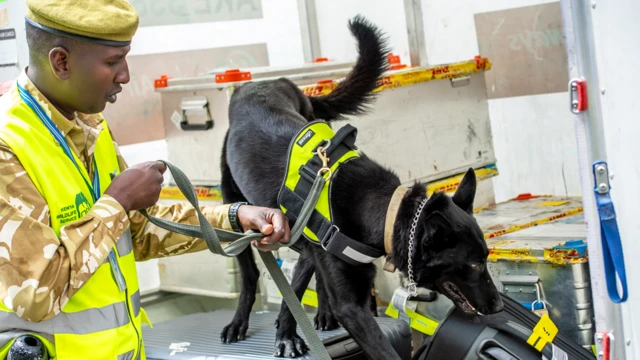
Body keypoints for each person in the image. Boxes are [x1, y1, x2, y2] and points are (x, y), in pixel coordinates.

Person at [0, 0, 291, 359]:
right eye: (112, 62)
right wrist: (117, 202)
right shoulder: (7, 147)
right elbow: (36, 293)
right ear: (61, 61)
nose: (124, 75)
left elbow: (137, 232)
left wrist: (235, 218)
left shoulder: (90, 128)